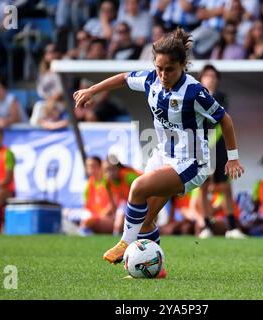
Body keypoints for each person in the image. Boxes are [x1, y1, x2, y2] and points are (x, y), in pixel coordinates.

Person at [73, 28, 244, 271]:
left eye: (169, 69)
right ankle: (156, 269)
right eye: (159, 68)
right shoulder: (151, 79)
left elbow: (225, 119)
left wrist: (233, 158)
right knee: (145, 220)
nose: (163, 74)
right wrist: (92, 90)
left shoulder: (195, 92)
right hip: (164, 155)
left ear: (183, 65)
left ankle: (125, 242)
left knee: (138, 187)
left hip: (192, 162)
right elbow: (123, 78)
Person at [196, 64, 246, 239]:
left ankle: (232, 227)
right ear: (201, 79)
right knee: (203, 187)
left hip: (219, 147)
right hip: (201, 147)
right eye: (207, 75)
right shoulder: (193, 96)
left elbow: (217, 116)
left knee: (225, 187)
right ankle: (206, 226)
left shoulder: (222, 98)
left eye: (213, 76)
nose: (211, 78)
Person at [103, 155, 141, 236]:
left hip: (142, 201)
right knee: (118, 225)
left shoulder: (128, 176)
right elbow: (112, 201)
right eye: (106, 170)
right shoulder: (106, 181)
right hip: (126, 201)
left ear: (118, 168)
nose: (110, 173)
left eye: (112, 169)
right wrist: (114, 216)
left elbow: (145, 191)